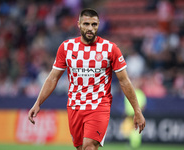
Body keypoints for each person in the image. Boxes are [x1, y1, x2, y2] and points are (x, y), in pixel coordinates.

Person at [28, 8, 146, 150]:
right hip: (75, 106)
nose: (90, 28)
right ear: (78, 24)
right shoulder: (66, 48)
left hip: (99, 105)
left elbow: (124, 81)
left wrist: (137, 111)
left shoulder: (110, 49)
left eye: (94, 24)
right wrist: (38, 103)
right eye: (86, 24)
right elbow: (53, 78)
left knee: (89, 146)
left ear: (98, 25)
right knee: (80, 147)